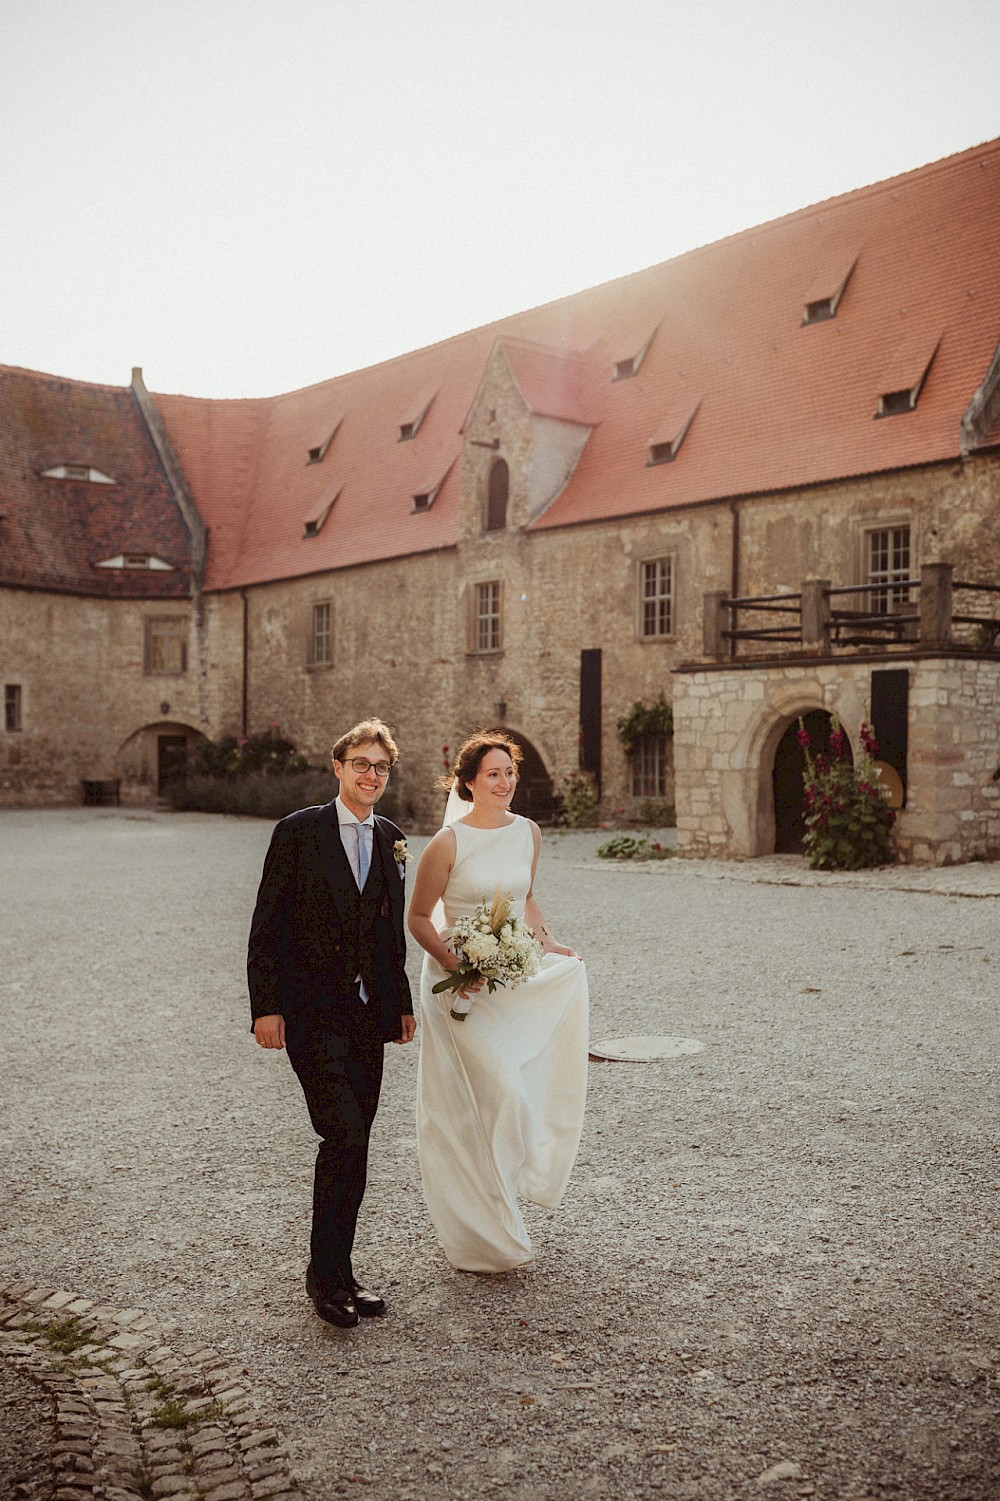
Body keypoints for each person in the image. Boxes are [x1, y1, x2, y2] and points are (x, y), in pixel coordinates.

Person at [248, 718, 416, 1328]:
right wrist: (266, 1007)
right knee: (342, 1134)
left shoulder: (393, 837)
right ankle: (323, 1278)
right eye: (362, 765)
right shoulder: (299, 832)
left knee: (357, 1142)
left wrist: (400, 1004)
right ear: (338, 768)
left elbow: (387, 934)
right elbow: (267, 924)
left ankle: (342, 1270)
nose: (372, 775)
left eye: (382, 768)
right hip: (311, 1015)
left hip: (367, 1017)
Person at [407, 731, 589, 1272]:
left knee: (513, 1097)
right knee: (485, 1098)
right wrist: (453, 965)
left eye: (510, 772)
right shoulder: (448, 842)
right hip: (457, 985)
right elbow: (418, 917)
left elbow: (525, 898)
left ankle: (504, 1207)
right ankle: (478, 1229)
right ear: (468, 782)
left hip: (507, 977)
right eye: (493, 774)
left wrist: (551, 944)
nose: (505, 782)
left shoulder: (528, 833)